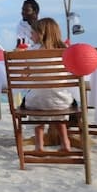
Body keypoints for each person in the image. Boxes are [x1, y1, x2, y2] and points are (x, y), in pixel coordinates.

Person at [21, 18, 76, 153]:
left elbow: (24, 76)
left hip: (36, 103)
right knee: (60, 110)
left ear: (41, 34)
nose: (30, 36)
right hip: (61, 101)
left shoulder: (31, 52)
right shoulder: (66, 52)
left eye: (32, 33)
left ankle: (39, 146)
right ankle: (65, 144)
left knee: (37, 102)